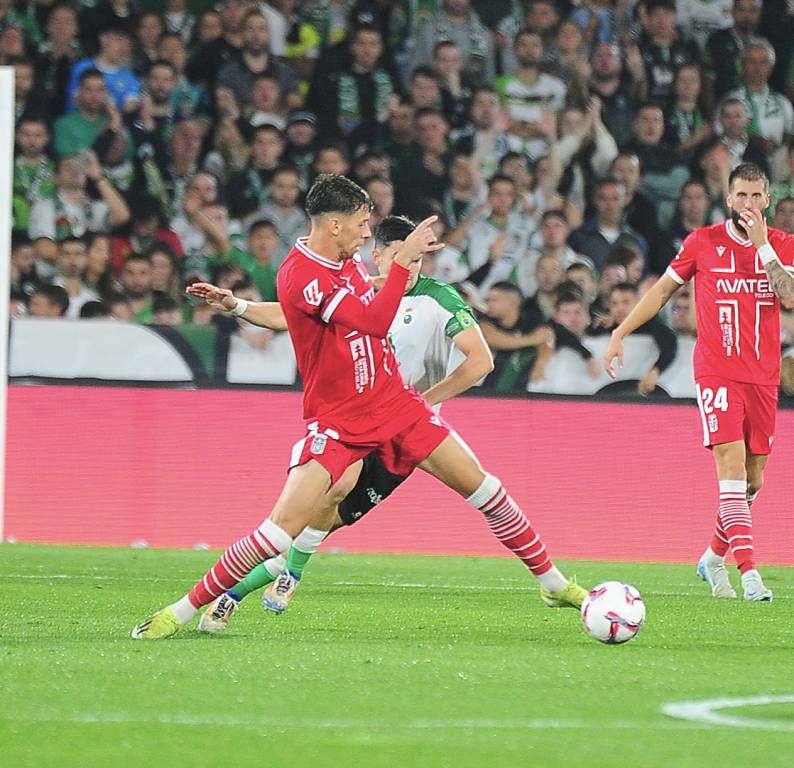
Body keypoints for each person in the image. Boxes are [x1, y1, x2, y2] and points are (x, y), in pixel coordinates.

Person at [131, 175, 587, 639]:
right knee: (277, 532)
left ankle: (552, 584)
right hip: (340, 423)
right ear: (333, 224)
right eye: (361, 223)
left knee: (488, 491)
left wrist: (239, 305)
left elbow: (299, 313)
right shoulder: (302, 274)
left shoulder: (345, 261)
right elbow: (369, 320)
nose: (368, 233)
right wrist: (404, 259)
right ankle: (182, 610)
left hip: (395, 404)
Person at [186, 214, 495, 629]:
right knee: (333, 490)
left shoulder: (440, 299)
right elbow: (290, 314)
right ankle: (287, 576)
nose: (411, 268)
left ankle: (235, 592)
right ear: (380, 256)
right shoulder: (359, 292)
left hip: (404, 434)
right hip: (350, 422)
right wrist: (237, 305)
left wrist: (422, 403)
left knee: (325, 521)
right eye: (403, 258)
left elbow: (480, 363)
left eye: (418, 260)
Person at [604, 163, 794, 601]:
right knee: (729, 469)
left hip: (763, 378)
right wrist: (621, 331)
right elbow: (661, 292)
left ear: (767, 201)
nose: (748, 204)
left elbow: (787, 295)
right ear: (728, 199)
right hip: (717, 372)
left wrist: (764, 247)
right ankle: (749, 574)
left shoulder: (782, 245)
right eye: (740, 196)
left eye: (756, 197)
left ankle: (712, 557)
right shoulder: (703, 243)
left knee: (753, 480)